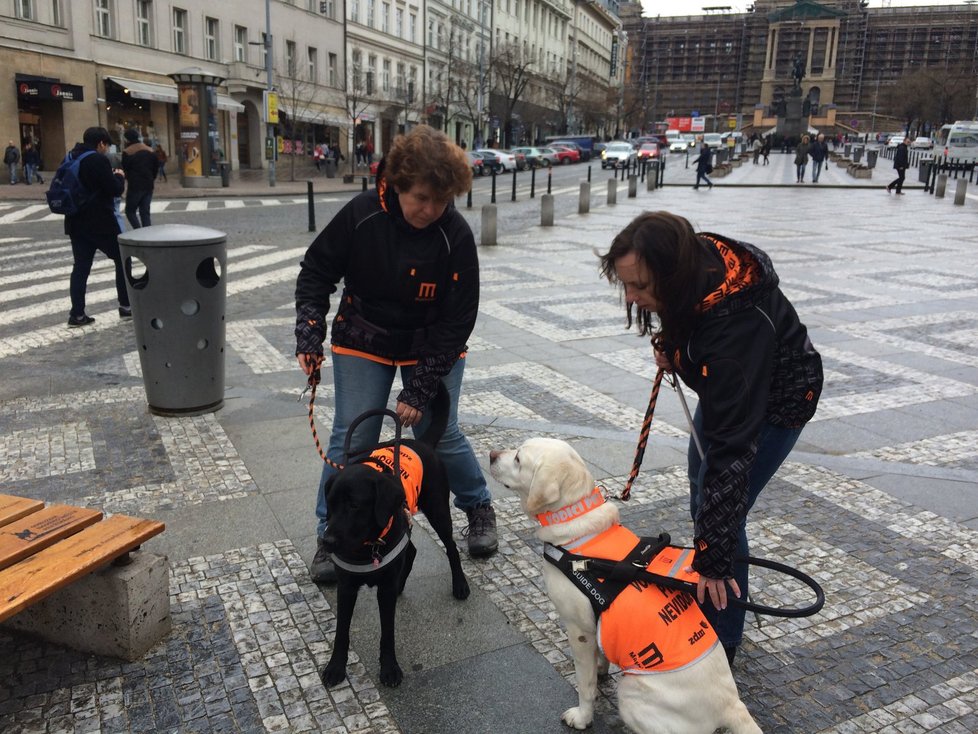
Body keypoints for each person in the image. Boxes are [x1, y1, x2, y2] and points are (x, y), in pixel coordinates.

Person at [599, 211, 822, 666]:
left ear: (671, 274)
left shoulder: (737, 328)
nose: (632, 297)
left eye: (639, 286)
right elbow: (691, 319)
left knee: (722, 505)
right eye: (625, 285)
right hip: (729, 390)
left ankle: (722, 639)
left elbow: (732, 453)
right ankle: (716, 583)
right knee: (704, 496)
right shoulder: (691, 268)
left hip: (777, 403)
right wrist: (676, 351)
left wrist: (713, 558)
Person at [294, 124, 498, 584]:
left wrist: (421, 387)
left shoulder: (455, 236)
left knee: (439, 435)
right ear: (398, 184)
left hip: (431, 341)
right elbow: (316, 272)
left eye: (440, 200)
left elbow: (458, 318)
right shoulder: (361, 214)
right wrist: (309, 334)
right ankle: (331, 530)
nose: (430, 210)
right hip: (364, 335)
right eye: (421, 197)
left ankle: (478, 506)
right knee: (353, 436)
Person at [63, 127, 132, 327]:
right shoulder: (97, 160)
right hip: (100, 222)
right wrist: (119, 176)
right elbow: (114, 189)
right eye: (106, 145)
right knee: (122, 259)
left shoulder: (70, 156)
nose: (106, 149)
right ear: (101, 143)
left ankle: (77, 314)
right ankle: (126, 305)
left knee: (81, 268)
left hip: (75, 221)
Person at [121, 129, 157, 228]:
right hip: (149, 184)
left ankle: (138, 231)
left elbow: (125, 168)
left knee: (130, 211)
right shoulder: (150, 150)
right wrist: (151, 177)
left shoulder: (127, 152)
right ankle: (147, 233)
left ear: (127, 140)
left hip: (135, 185)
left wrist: (128, 178)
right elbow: (155, 168)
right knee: (145, 211)